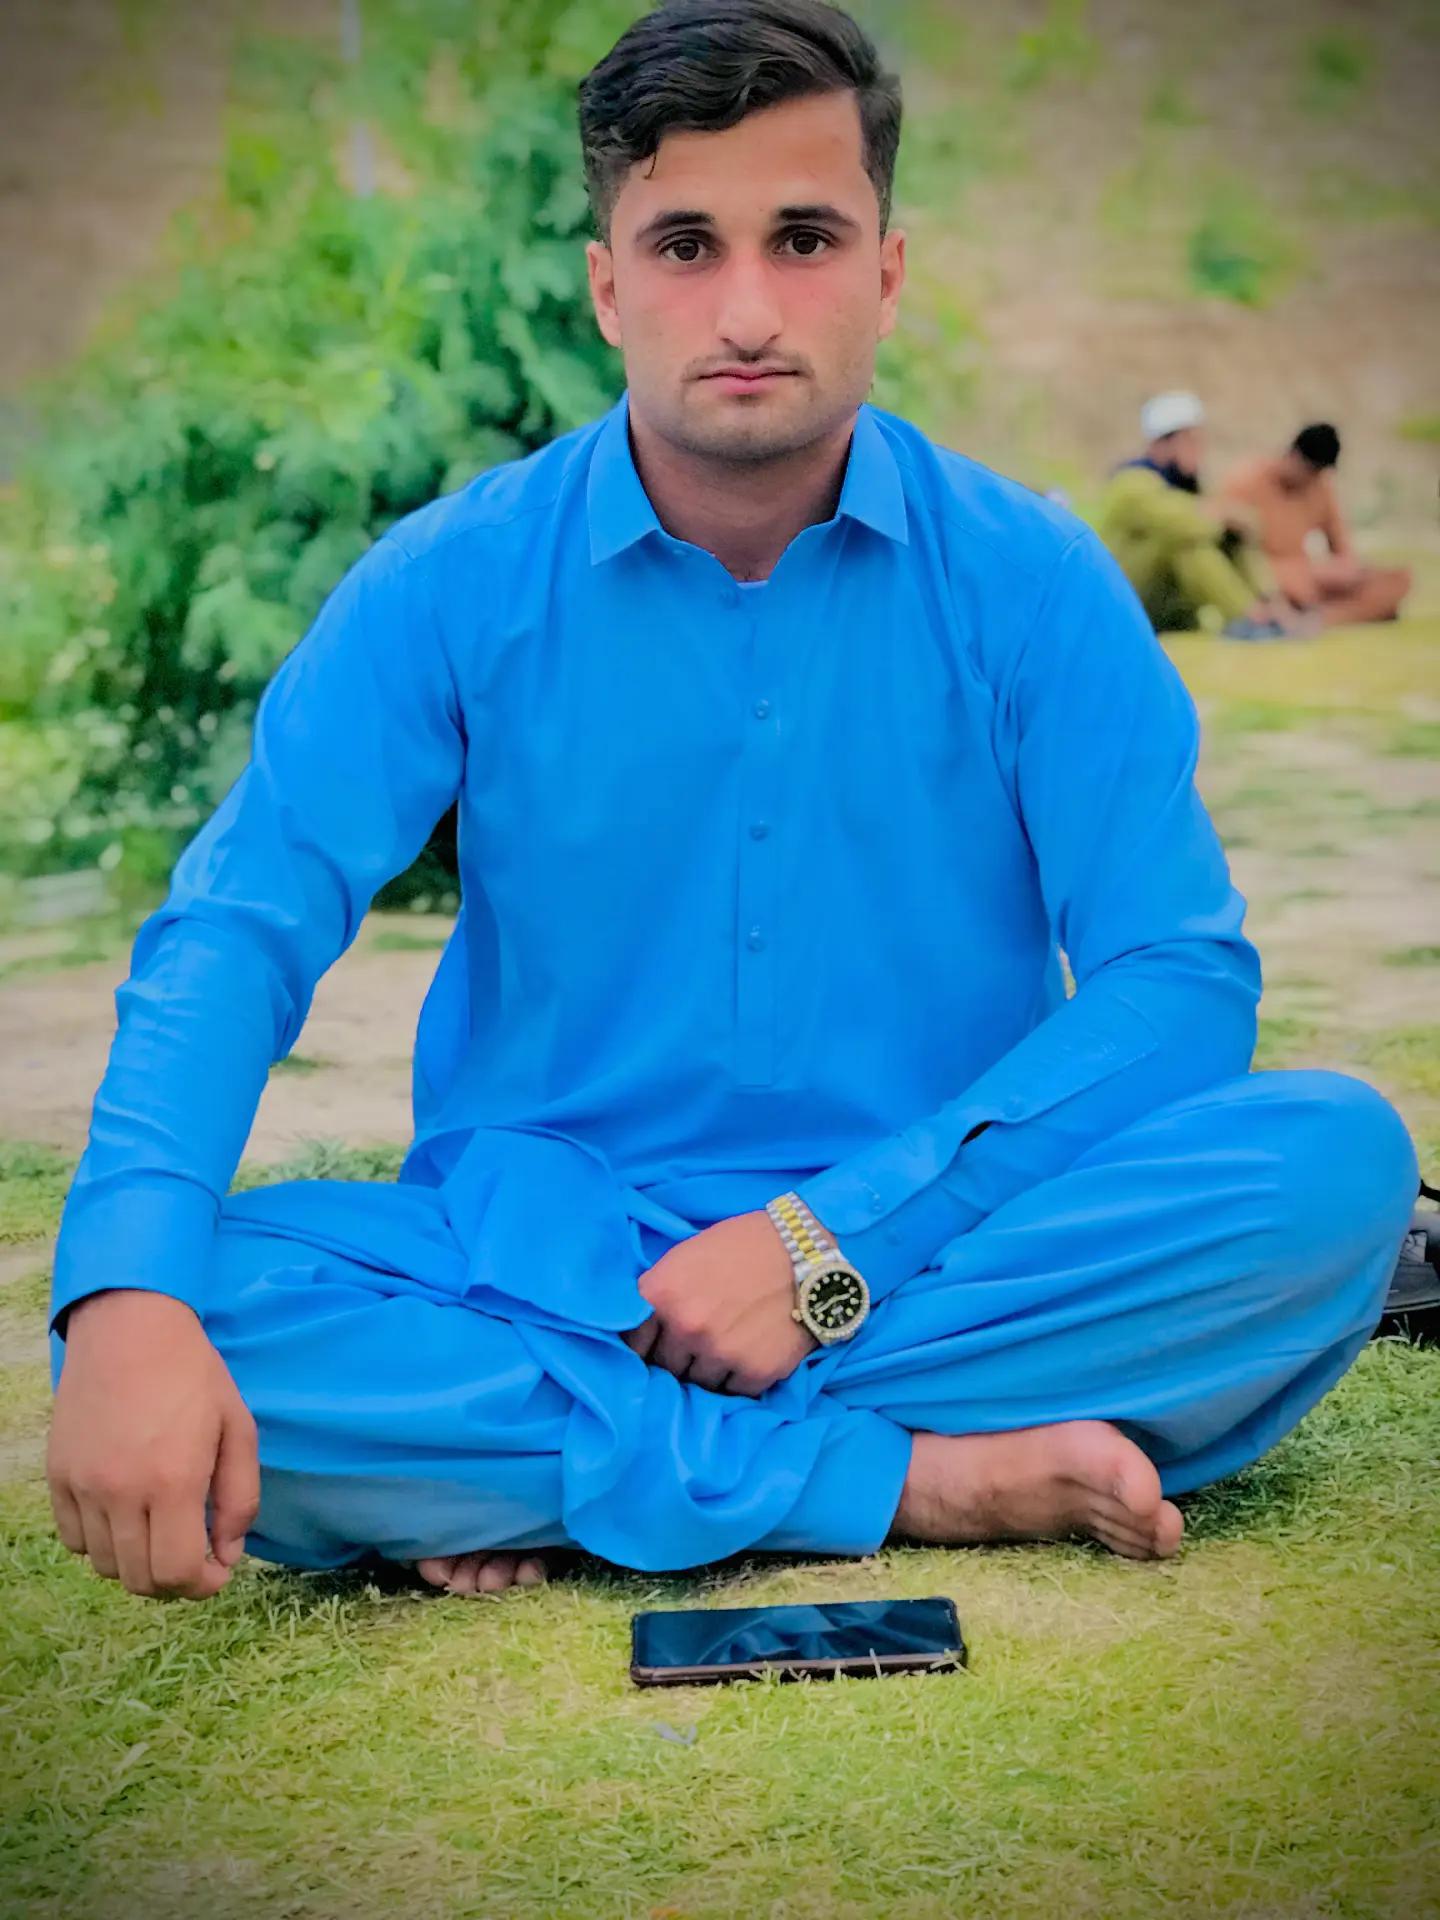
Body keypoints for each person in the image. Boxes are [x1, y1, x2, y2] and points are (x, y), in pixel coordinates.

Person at [46, 0, 1418, 1605]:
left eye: (805, 239)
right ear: (607, 287)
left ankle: (559, 1465)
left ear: (886, 274)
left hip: (934, 1242)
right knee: (183, 1311)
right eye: (686, 245)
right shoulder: (449, 583)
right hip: (551, 1269)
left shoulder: (1033, 581)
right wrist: (127, 1299)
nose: (749, 308)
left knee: (1332, 1168)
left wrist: (825, 1248)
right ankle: (917, 1478)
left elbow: (1176, 983)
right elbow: (240, 925)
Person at [1096, 392, 1313, 639]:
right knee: (1186, 542)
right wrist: (1224, 516)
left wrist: (1232, 522)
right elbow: (1184, 523)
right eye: (1190, 441)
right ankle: (1248, 618)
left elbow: (1228, 519)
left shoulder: (1186, 484)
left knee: (1232, 537)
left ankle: (1275, 609)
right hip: (1126, 598)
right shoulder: (1131, 482)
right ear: (1164, 443)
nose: (1199, 450)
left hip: (1170, 606)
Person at [1219, 424, 1412, 628]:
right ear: (1294, 456)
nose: (1312, 479)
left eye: (1318, 473)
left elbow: (1343, 549)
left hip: (1313, 580)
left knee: (1397, 580)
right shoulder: (1248, 478)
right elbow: (1223, 533)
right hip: (1269, 578)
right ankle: (1322, 616)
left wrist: (1343, 571)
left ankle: (1316, 618)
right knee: (1285, 585)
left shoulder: (1320, 486)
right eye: (1310, 471)